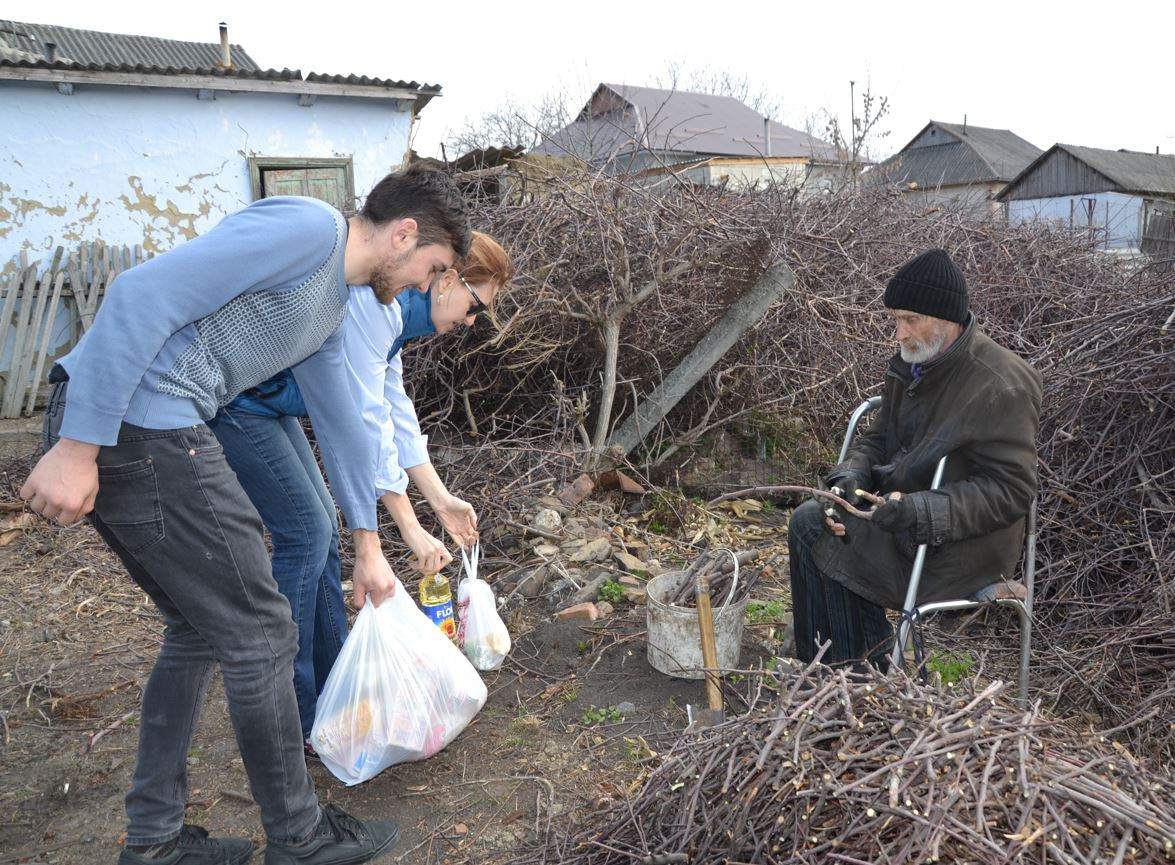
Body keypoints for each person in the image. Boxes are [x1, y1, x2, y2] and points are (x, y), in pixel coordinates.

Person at [20, 164, 471, 865]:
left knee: (200, 628)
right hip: (145, 427)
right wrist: (80, 445)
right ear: (403, 234)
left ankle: (154, 843)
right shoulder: (308, 229)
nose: (423, 287)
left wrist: (367, 541)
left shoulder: (331, 304)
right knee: (262, 631)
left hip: (148, 432)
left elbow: (346, 424)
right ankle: (298, 835)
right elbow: (142, 292)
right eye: (431, 267)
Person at [207, 231, 511, 746]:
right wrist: (409, 529)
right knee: (307, 533)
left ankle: (335, 693)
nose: (471, 322)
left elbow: (396, 409)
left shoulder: (396, 313)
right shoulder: (378, 305)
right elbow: (366, 423)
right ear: (448, 280)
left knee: (321, 530)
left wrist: (440, 501)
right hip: (239, 402)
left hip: (270, 405)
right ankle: (296, 718)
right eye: (475, 305)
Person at [787, 248, 1043, 670]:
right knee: (816, 522)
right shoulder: (918, 363)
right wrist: (851, 473)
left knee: (813, 528)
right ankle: (834, 671)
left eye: (910, 320)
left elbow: (1010, 491)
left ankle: (858, 677)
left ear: (946, 319)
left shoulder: (1002, 383)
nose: (899, 334)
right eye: (895, 320)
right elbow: (880, 436)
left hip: (960, 548)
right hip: (904, 519)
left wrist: (920, 510)